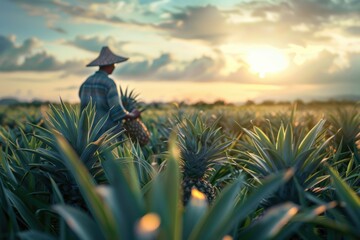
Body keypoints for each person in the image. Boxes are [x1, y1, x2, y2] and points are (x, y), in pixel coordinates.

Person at [79, 46, 140, 136]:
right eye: (114, 64)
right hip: (106, 135)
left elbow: (81, 97)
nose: (114, 67)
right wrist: (132, 115)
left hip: (87, 134)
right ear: (110, 65)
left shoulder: (86, 82)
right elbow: (117, 111)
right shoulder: (109, 83)